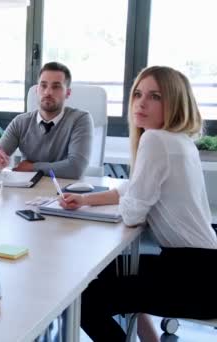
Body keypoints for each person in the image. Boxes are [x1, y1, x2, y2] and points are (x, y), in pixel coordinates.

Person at [59, 66, 217, 341]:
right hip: (202, 266)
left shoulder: (156, 140)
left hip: (194, 278)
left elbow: (133, 214)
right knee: (106, 270)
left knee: (84, 302)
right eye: (138, 94)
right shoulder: (180, 140)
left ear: (174, 102)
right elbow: (133, 189)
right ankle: (149, 336)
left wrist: (125, 202)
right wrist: (85, 199)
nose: (141, 103)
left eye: (155, 96)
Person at [0, 62, 93, 179]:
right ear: (37, 90)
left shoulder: (80, 120)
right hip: (27, 190)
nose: (48, 92)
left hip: (64, 192)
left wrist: (31, 167)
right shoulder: (21, 122)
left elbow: (75, 168)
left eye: (56, 86)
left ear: (68, 93)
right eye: (43, 85)